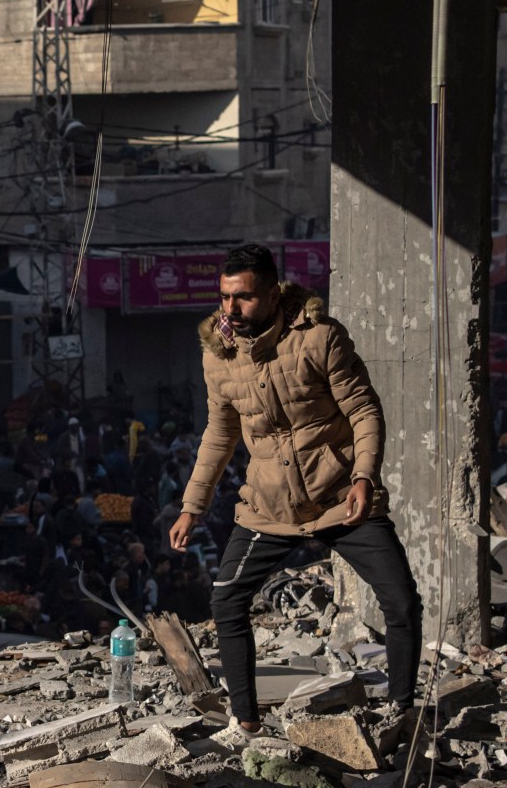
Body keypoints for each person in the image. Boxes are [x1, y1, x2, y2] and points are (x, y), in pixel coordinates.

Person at [167, 243, 420, 741]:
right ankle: (246, 721)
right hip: (270, 505)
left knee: (402, 601)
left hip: (339, 496)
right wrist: (192, 506)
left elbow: (364, 410)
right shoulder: (218, 356)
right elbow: (220, 433)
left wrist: (364, 477)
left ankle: (402, 712)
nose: (231, 309)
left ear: (273, 294)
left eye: (243, 298)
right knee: (227, 601)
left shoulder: (321, 338)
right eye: (224, 297)